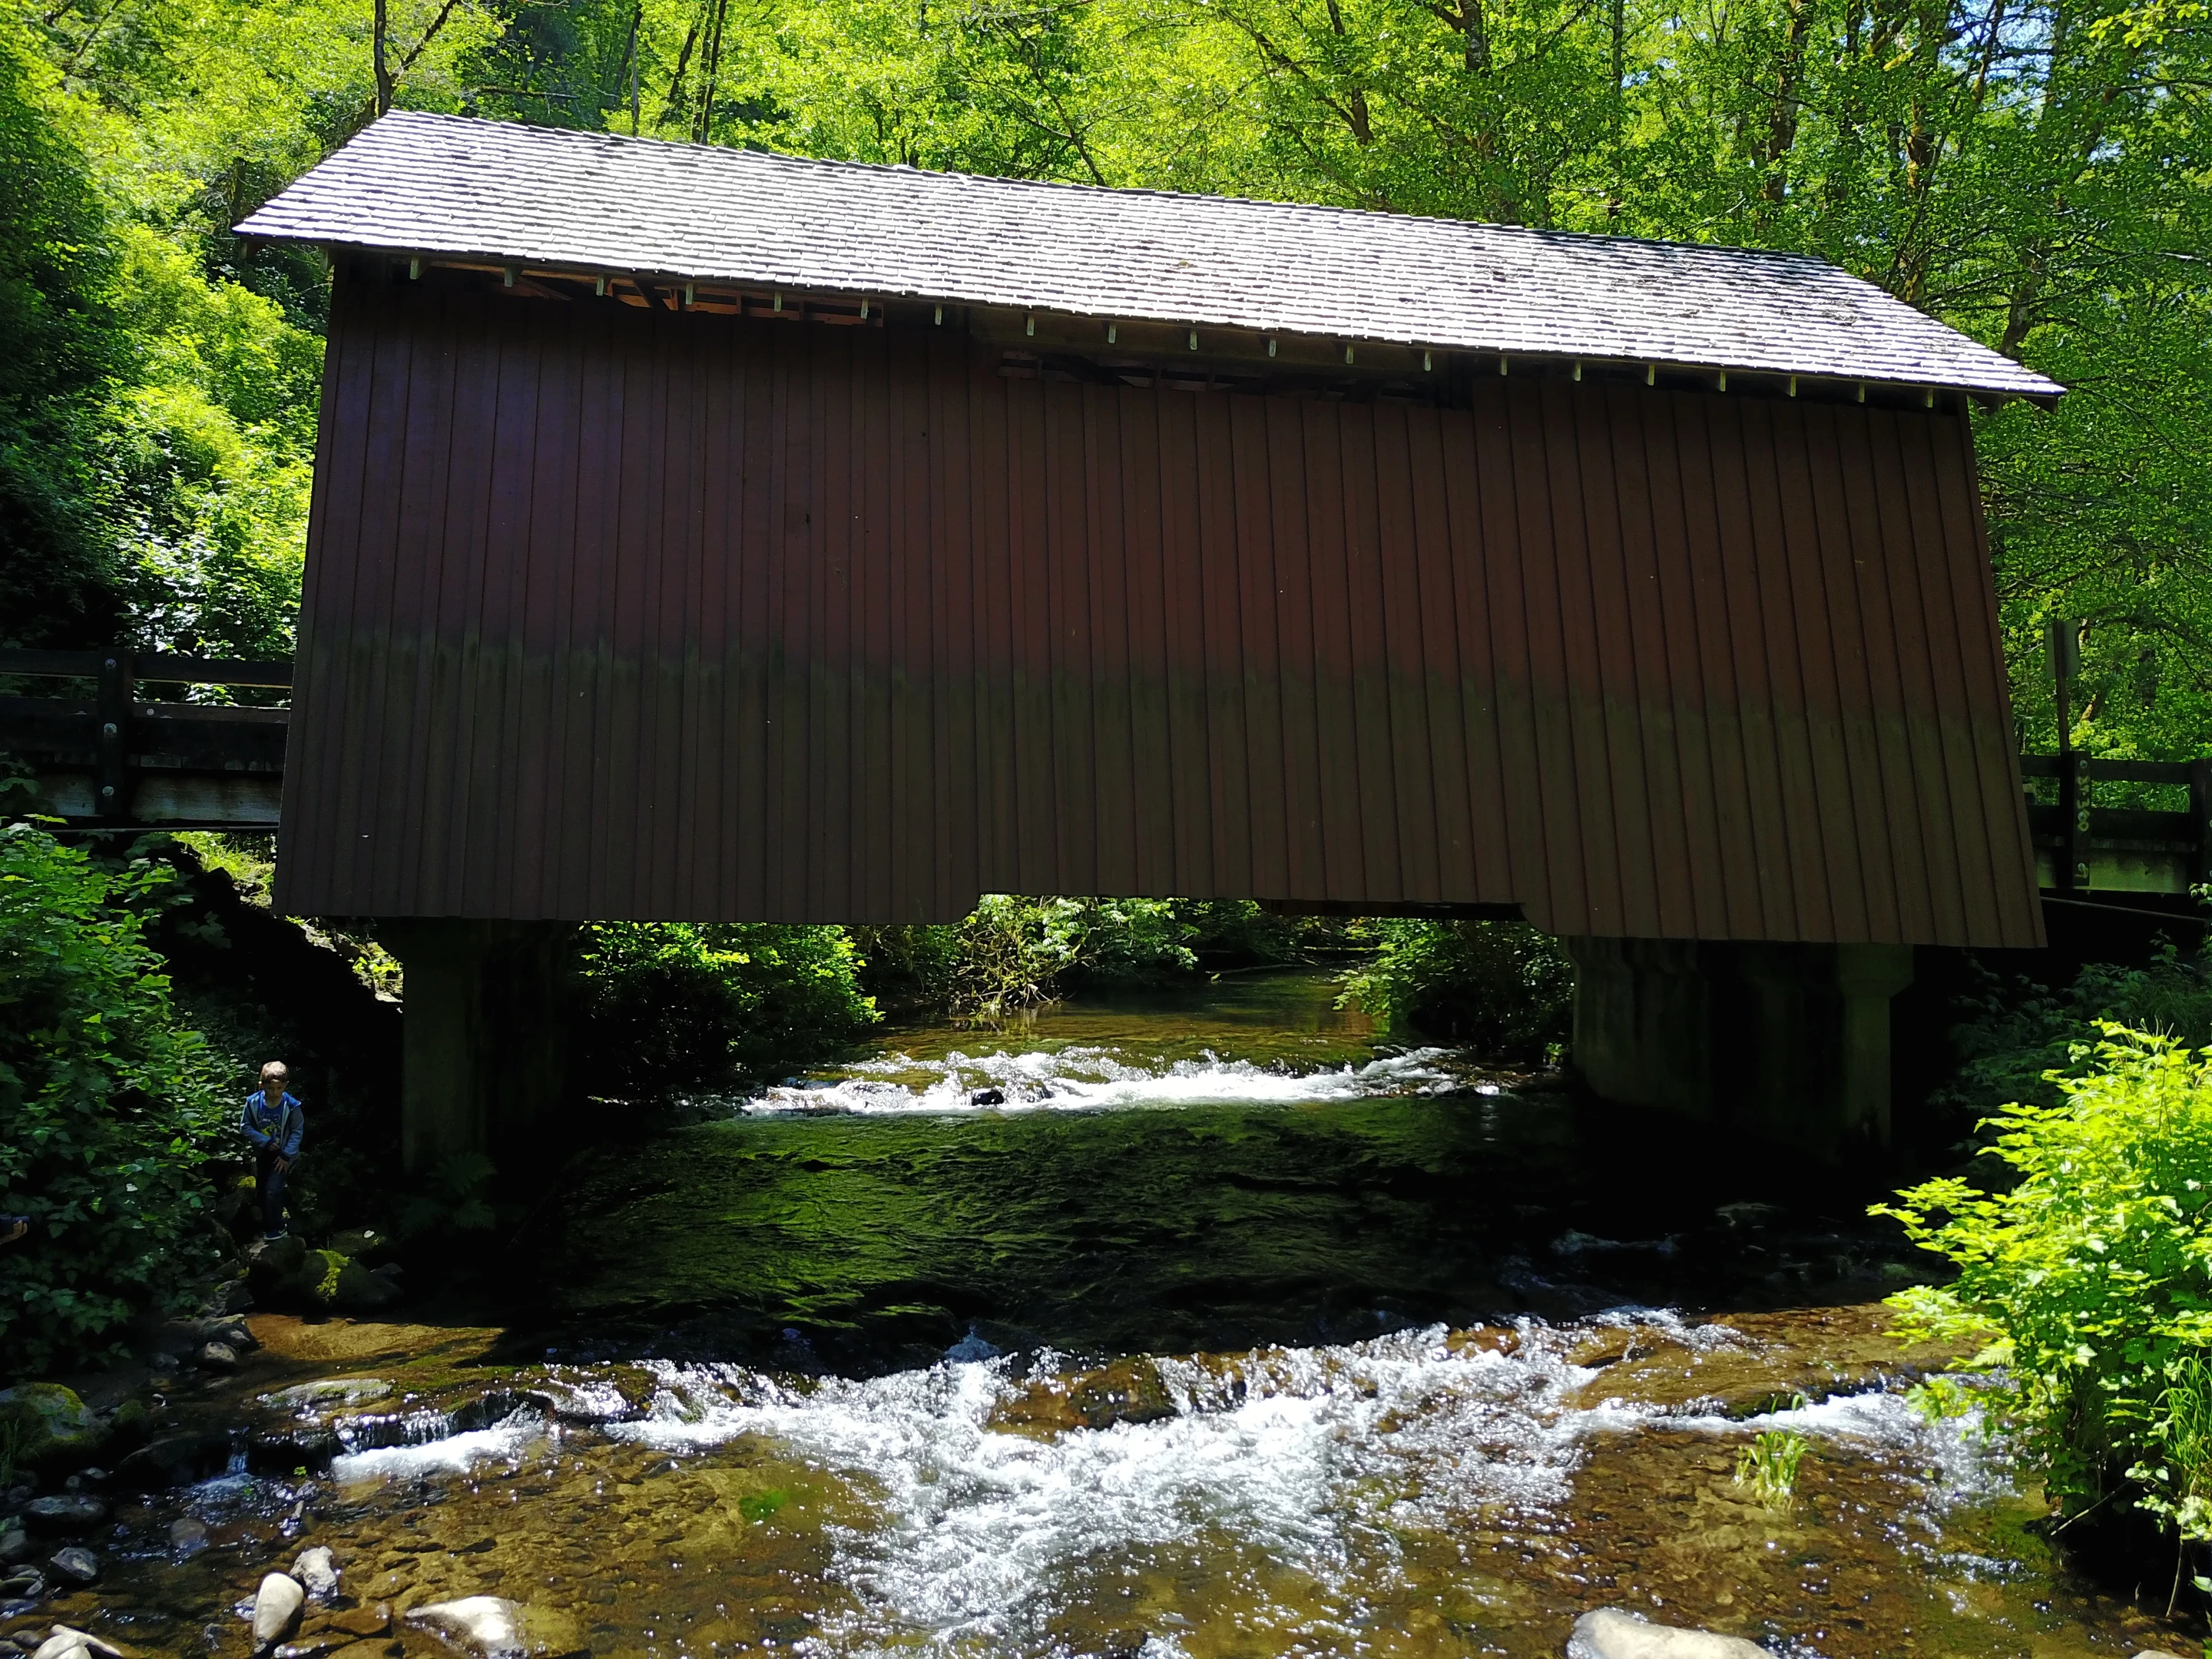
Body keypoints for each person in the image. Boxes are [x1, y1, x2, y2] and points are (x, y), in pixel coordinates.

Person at [242, 1061, 304, 1241]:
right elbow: (245, 1127)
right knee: (261, 1190)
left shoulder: (292, 1106)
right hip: (264, 1152)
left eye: (279, 1088)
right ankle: (267, 1223)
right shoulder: (253, 1103)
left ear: (285, 1086)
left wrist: (287, 1155)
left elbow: (297, 1131)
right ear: (262, 1086)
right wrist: (265, 1142)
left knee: (273, 1190)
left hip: (284, 1155)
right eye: (271, 1089)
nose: (275, 1093)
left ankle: (277, 1227)